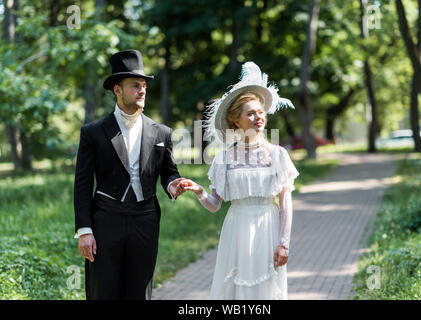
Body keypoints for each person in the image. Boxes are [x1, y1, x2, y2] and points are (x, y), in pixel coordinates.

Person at [73, 49, 187, 300]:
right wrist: (84, 230)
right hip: (106, 220)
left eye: (144, 85)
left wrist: (173, 184)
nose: (142, 90)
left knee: (140, 294)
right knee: (103, 291)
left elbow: (169, 173)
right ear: (117, 89)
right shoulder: (93, 132)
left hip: (145, 219)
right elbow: (82, 184)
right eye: (135, 85)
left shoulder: (162, 133)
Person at [181, 62, 299, 299]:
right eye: (251, 113)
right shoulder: (224, 159)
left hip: (268, 225)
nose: (258, 117)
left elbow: (285, 203)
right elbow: (215, 205)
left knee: (266, 290)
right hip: (237, 228)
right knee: (236, 292)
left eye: (260, 111)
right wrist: (198, 191)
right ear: (236, 121)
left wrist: (284, 243)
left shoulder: (278, 155)